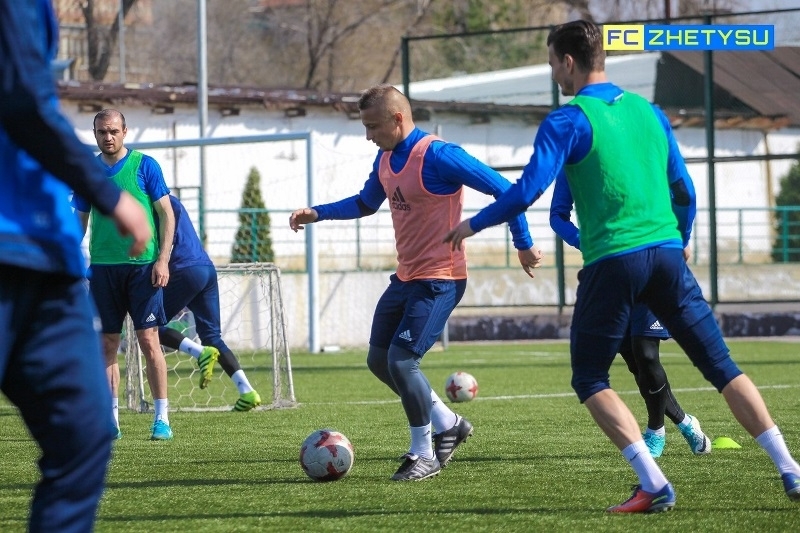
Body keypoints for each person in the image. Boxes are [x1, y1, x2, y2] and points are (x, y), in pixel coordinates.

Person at [444, 20, 800, 511]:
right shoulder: (650, 112)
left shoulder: (567, 120)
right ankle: (790, 468)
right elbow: (684, 192)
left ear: (569, 61)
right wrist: (682, 240)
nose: (554, 74)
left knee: (590, 378)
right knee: (721, 367)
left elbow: (526, 192)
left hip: (614, 262)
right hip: (668, 257)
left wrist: (472, 224)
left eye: (552, 64)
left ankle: (653, 483)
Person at [290, 84, 544, 481]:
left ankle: (424, 454)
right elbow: (364, 203)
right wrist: (318, 213)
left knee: (402, 361)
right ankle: (449, 423)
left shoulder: (440, 155)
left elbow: (507, 191)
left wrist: (523, 244)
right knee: (379, 360)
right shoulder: (385, 158)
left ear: (397, 118)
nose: (368, 136)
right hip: (406, 277)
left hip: (441, 280)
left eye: (373, 126)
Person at [0, 0, 152, 530]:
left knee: (85, 434)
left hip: (46, 258)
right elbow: (22, 100)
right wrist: (109, 196)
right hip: (15, 251)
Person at [550, 173, 711, 458]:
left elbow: (684, 194)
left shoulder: (638, 153)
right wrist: (585, 241)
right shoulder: (572, 164)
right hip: (609, 272)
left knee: (646, 352)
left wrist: (679, 236)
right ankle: (686, 423)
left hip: (652, 262)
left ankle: (655, 432)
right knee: (637, 364)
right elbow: (557, 216)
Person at [74, 109, 176, 441]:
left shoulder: (145, 166)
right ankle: (111, 420)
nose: (108, 137)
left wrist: (163, 259)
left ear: (125, 131)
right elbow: (79, 221)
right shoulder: (87, 171)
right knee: (107, 343)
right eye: (102, 132)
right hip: (103, 269)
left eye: (113, 131)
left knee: (149, 340)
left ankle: (161, 418)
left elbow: (166, 214)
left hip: (143, 268)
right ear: (94, 134)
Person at [157, 194, 262, 411]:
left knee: (150, 326)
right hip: (206, 268)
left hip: (184, 269)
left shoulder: (155, 204)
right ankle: (247, 392)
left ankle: (199, 352)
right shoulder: (171, 200)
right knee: (212, 336)